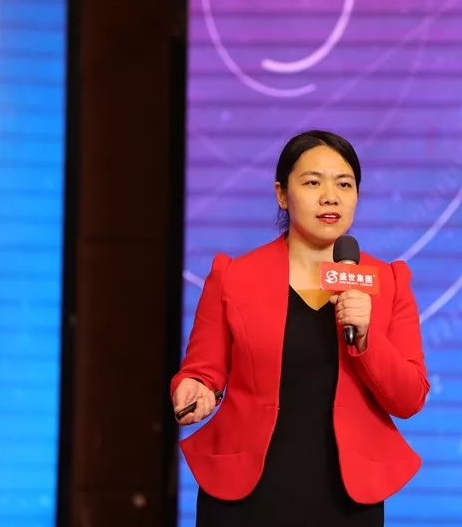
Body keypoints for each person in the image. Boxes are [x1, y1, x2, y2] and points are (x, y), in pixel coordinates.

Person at [171, 130, 430, 526]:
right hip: (247, 494)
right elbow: (202, 371)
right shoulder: (234, 277)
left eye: (344, 184)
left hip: (346, 497)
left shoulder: (388, 281)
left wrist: (366, 337)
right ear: (281, 194)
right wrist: (194, 388)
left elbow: (409, 398)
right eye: (312, 183)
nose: (330, 197)